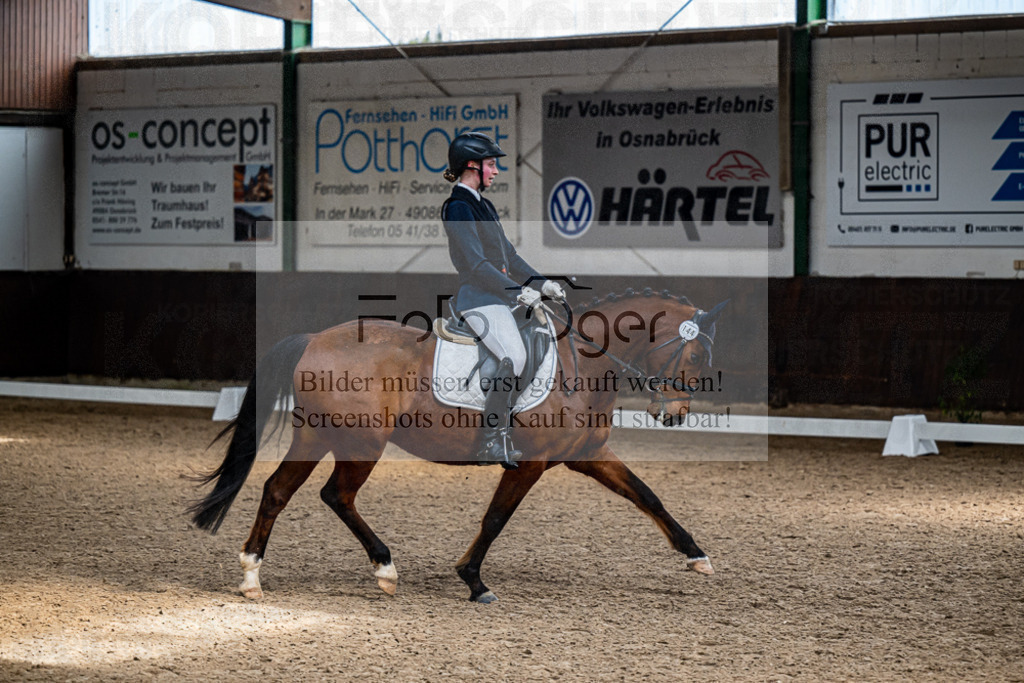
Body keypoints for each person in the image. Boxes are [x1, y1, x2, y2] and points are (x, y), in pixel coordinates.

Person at [440, 131, 565, 469]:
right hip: (478, 300)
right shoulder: (457, 207)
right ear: (472, 166)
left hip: (499, 298)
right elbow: (477, 265)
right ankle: (492, 439)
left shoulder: (485, 205)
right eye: (491, 165)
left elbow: (510, 256)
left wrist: (543, 283)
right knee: (514, 355)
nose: (495, 172)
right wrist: (517, 291)